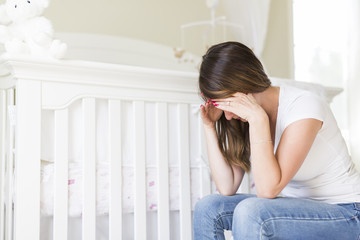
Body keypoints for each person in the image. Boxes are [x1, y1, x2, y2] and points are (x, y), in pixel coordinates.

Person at [193, 41, 360, 240]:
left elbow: (267, 190)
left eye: (228, 103)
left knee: (251, 212)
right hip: (294, 208)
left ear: (244, 86)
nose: (227, 116)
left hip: (347, 213)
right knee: (208, 208)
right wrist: (209, 126)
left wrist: (258, 120)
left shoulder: (304, 106)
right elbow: (227, 187)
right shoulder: (243, 118)